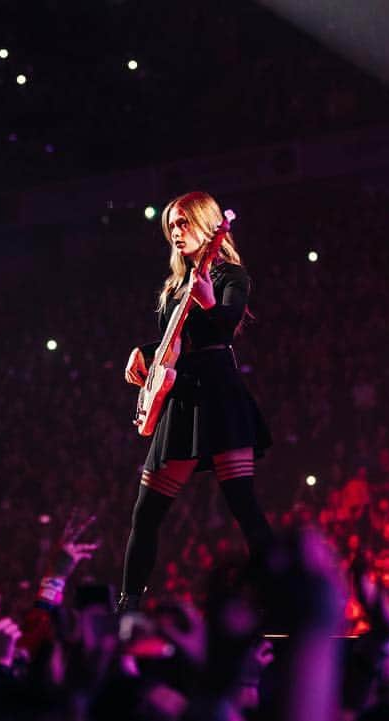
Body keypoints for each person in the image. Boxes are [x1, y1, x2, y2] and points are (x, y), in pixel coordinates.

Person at [119, 191, 273, 612]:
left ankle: (280, 594)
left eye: (182, 223)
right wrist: (144, 353)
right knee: (146, 512)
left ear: (206, 223)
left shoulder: (231, 276)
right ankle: (128, 605)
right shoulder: (172, 287)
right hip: (183, 397)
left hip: (220, 396)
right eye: (171, 226)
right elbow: (179, 341)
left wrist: (206, 299)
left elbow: (221, 329)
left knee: (243, 504)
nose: (175, 232)